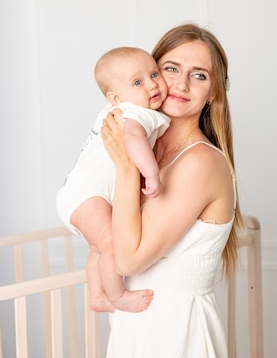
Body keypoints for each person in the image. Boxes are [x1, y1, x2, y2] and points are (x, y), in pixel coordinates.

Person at [99, 23, 243, 358]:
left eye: (199, 75)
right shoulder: (147, 149)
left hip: (176, 330)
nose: (180, 84)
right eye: (171, 69)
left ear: (214, 93)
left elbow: (129, 259)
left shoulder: (201, 162)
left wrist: (124, 167)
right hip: (136, 325)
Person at [56, 46, 170, 313]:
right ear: (116, 96)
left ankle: (97, 296)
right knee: (111, 245)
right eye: (138, 82)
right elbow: (132, 138)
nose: (152, 85)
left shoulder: (118, 107)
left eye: (154, 74)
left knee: (98, 248)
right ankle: (117, 297)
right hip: (87, 196)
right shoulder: (135, 111)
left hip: (77, 194)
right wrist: (151, 173)